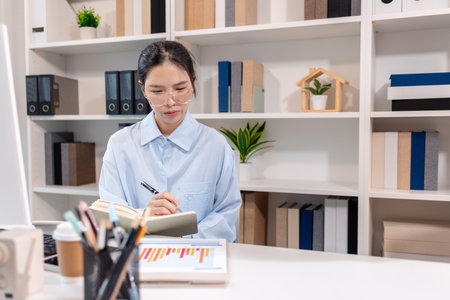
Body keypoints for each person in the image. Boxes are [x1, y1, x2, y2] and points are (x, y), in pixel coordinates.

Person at [99, 41, 241, 242]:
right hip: (139, 256)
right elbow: (108, 214)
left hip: (198, 256)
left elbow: (227, 215)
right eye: (157, 91)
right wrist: (143, 216)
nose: (170, 101)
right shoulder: (120, 145)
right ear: (143, 89)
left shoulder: (216, 146)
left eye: (180, 88)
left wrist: (187, 236)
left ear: (192, 83)